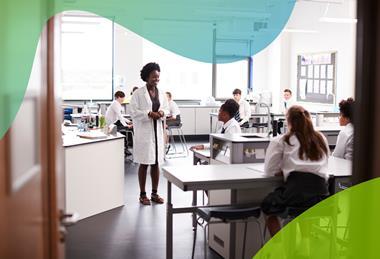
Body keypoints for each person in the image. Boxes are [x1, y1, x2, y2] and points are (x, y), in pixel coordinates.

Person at [261, 105, 329, 237]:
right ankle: (306, 247)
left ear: (289, 121)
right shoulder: (321, 138)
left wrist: (284, 170)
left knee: (269, 207)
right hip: (320, 195)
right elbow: (324, 165)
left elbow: (269, 171)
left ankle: (279, 249)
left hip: (296, 192)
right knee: (306, 211)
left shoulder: (282, 140)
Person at [130, 62, 169, 205]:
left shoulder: (162, 93)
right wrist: (149, 113)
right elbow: (133, 111)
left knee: (156, 163)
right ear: (146, 77)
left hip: (157, 132)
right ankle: (142, 194)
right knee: (144, 163)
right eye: (153, 77)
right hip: (145, 133)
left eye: (158, 77)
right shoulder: (138, 93)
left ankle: (154, 193)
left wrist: (161, 112)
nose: (156, 79)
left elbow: (167, 108)